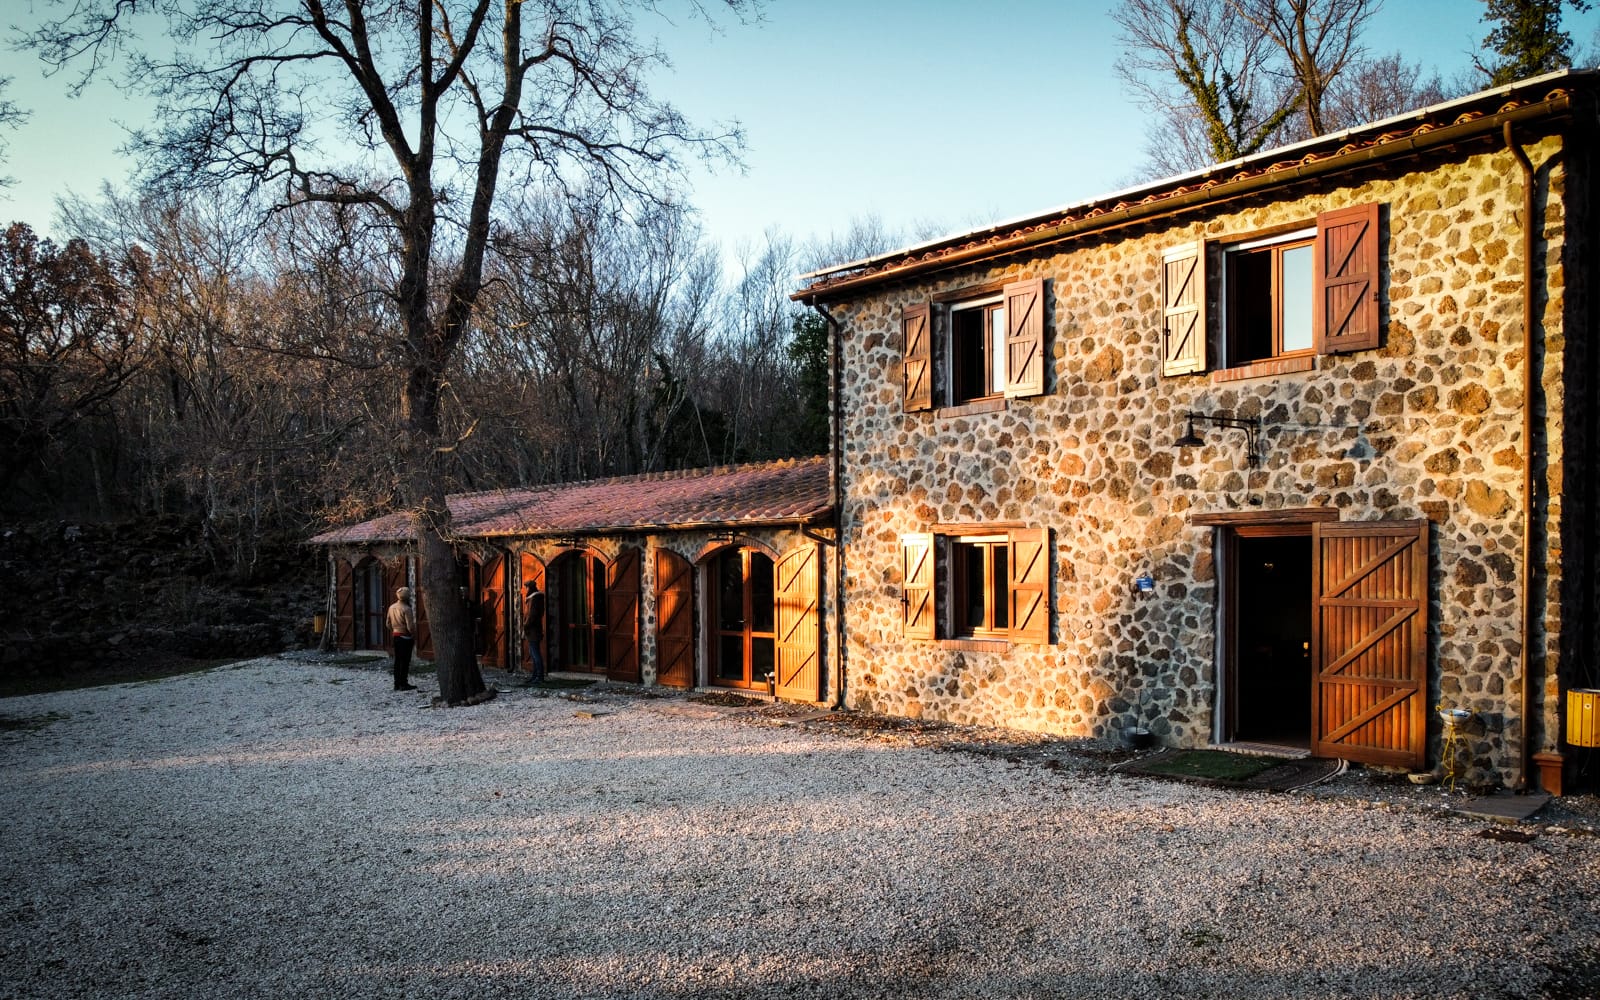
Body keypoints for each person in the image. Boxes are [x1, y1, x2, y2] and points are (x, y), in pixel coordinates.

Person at [387, 586, 417, 691]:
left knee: (397, 661)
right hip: (405, 637)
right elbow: (410, 626)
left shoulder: (391, 607)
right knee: (405, 661)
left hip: (396, 636)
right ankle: (403, 683)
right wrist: (414, 635)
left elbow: (388, 624)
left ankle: (396, 684)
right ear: (407, 597)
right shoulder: (407, 609)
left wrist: (395, 630)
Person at [520, 579, 547, 687]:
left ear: (529, 588)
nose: (525, 589)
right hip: (533, 629)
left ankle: (539, 676)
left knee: (535, 654)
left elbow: (532, 615)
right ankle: (535, 675)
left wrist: (525, 626)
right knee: (533, 653)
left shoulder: (534, 599)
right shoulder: (535, 598)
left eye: (526, 587)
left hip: (533, 630)